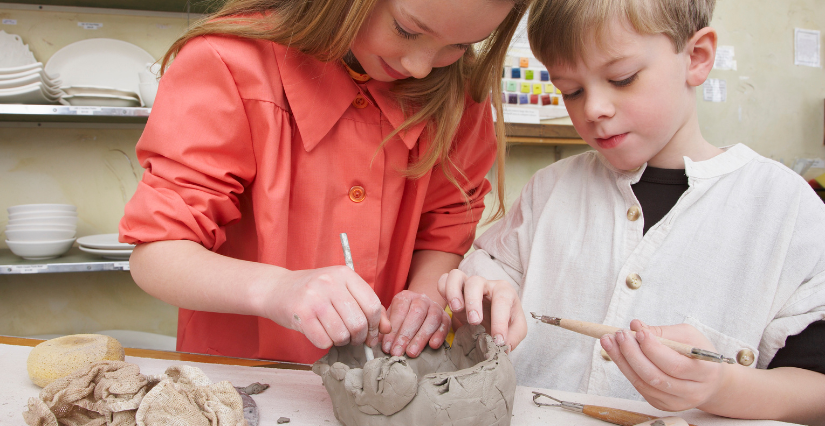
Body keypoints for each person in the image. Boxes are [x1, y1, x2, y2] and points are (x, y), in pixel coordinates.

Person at [441, 0, 825, 423]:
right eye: (571, 90)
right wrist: (480, 297)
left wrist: (723, 387)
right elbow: (487, 280)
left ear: (696, 58)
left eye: (621, 79)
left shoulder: (785, 210)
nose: (592, 109)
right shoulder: (547, 192)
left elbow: (816, 391)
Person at [118, 0, 532, 365]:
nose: (420, 66)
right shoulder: (230, 63)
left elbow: (444, 232)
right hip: (238, 377)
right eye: (407, 30)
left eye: (459, 46)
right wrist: (277, 289)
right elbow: (156, 256)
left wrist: (425, 296)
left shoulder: (458, 91)